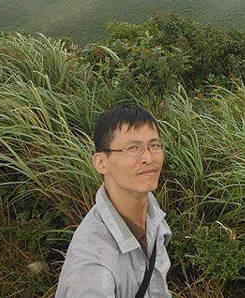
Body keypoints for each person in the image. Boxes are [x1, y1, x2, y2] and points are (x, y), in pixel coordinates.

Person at [56, 103, 173, 297]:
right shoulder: (92, 268)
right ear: (101, 162)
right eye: (133, 148)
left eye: (154, 145)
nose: (148, 157)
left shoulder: (154, 217)